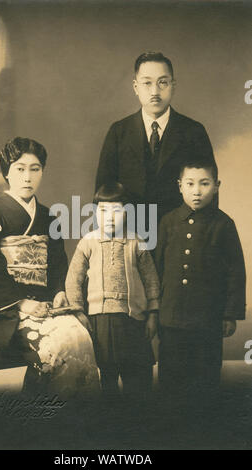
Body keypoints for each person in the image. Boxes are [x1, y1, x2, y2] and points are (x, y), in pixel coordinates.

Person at [0, 137, 99, 399]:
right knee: (59, 344)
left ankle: (72, 419)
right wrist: (22, 303)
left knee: (79, 335)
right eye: (20, 168)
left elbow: (58, 262)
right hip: (6, 312)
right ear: (6, 172)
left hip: (45, 303)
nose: (27, 177)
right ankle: (43, 414)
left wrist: (60, 291)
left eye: (35, 169)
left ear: (42, 172)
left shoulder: (48, 216)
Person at [154, 158, 246, 420]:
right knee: (171, 375)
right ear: (179, 186)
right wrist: (154, 307)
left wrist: (229, 314)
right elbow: (156, 267)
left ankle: (203, 428)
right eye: (190, 184)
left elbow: (236, 273)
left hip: (208, 318)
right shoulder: (168, 222)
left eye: (204, 184)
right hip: (171, 317)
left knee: (205, 377)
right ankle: (172, 427)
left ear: (216, 186)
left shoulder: (224, 225)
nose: (197, 190)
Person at [65, 182, 160, 403]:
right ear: (95, 212)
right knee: (105, 375)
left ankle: (136, 421)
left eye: (116, 210)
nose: (109, 217)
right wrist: (79, 312)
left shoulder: (137, 241)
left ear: (127, 213)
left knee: (137, 377)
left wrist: (153, 314)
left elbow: (151, 280)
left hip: (133, 320)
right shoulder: (88, 242)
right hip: (101, 321)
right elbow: (73, 280)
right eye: (103, 211)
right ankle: (110, 423)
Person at [95, 52, 217, 223]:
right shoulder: (119, 132)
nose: (155, 91)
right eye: (147, 83)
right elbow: (103, 192)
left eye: (162, 83)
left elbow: (209, 191)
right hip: (129, 234)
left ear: (173, 85)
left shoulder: (193, 132)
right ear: (136, 87)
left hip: (179, 236)